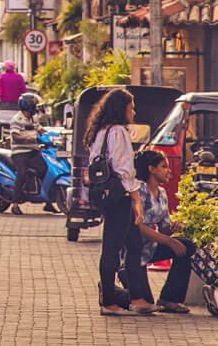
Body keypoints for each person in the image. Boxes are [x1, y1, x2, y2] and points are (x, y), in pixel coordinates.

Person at [84, 88, 156, 316]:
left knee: (134, 244)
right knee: (112, 249)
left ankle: (136, 297)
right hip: (120, 197)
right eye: (131, 107)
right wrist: (136, 199)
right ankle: (108, 300)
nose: (133, 111)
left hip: (106, 195)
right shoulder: (118, 133)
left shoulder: (99, 132)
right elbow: (125, 169)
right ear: (121, 108)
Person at [129, 150, 195, 313]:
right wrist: (169, 241)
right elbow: (138, 228)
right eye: (164, 166)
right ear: (151, 169)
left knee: (187, 247)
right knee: (145, 304)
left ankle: (170, 299)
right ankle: (110, 292)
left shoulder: (163, 193)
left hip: (152, 247)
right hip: (135, 251)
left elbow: (164, 228)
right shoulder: (140, 191)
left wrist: (172, 229)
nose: (169, 170)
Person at [8, 93, 57, 216]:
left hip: (33, 151)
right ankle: (15, 204)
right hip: (20, 153)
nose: (36, 109)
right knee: (22, 173)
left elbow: (41, 130)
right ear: (28, 107)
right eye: (34, 106)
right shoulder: (17, 120)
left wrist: (53, 135)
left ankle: (48, 202)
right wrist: (28, 138)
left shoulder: (33, 119)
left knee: (46, 169)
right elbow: (15, 135)